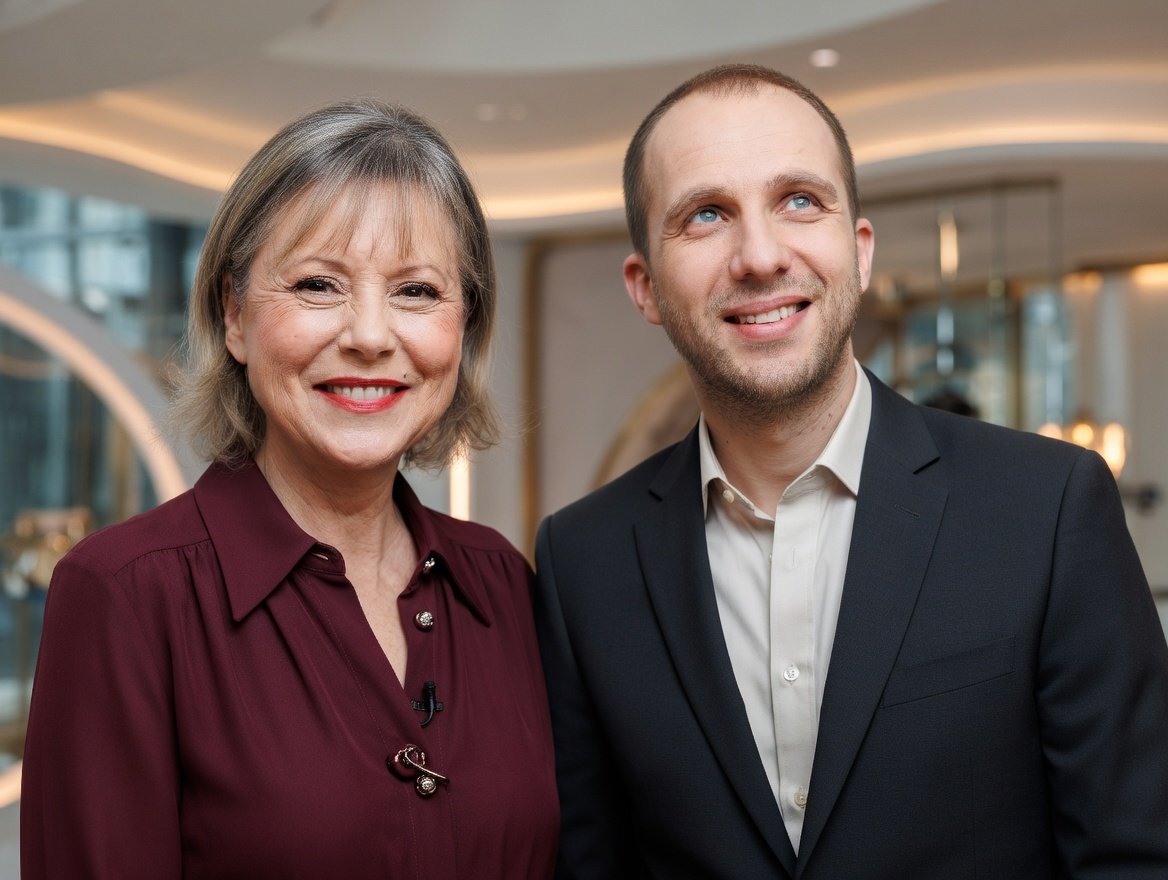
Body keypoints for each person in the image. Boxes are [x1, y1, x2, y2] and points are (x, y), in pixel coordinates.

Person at [533, 64, 1168, 879]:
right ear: (646, 286)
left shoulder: (1048, 508)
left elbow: (1137, 859)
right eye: (706, 214)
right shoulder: (582, 562)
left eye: (801, 200)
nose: (760, 255)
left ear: (859, 251)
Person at [22, 99, 558, 879]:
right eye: (317, 285)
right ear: (234, 316)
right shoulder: (127, 592)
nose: (371, 335)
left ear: (463, 327)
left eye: (416, 292)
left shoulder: (502, 581)